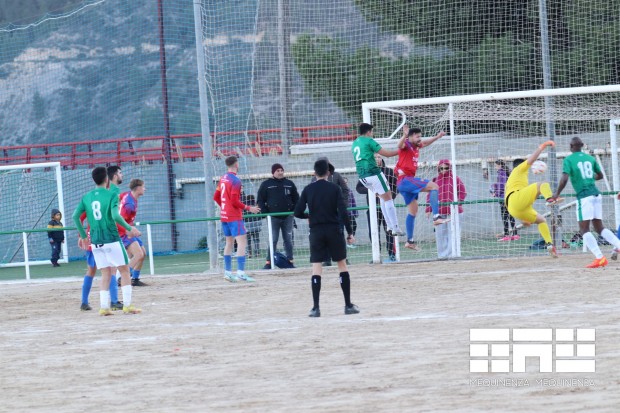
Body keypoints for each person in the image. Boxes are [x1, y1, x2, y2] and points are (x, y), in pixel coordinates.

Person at [72, 166, 142, 315]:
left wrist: (83, 236)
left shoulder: (87, 197)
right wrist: (130, 229)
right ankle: (127, 305)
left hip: (96, 241)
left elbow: (75, 217)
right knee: (123, 270)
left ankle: (104, 307)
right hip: (111, 238)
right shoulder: (111, 195)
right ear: (106, 179)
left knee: (105, 272)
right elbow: (116, 216)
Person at [294, 158, 359, 317]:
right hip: (333, 230)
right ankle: (348, 305)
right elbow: (343, 212)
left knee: (317, 267)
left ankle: (316, 308)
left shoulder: (308, 189)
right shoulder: (335, 188)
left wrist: (308, 215)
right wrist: (350, 232)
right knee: (342, 265)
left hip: (316, 231)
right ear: (328, 172)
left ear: (314, 173)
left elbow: (297, 212)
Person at [551, 137, 620, 268]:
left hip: (584, 197)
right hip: (596, 194)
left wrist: (556, 194)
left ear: (571, 146)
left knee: (584, 229)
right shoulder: (590, 158)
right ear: (582, 146)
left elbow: (564, 178)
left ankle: (600, 258)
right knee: (600, 228)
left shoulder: (569, 160)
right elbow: (600, 175)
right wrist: (588, 177)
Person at [504, 140, 561, 257]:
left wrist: (522, 218)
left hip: (513, 207)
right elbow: (532, 159)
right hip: (516, 199)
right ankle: (550, 199)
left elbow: (511, 203)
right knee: (542, 184)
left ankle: (550, 244)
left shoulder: (513, 181)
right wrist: (543, 146)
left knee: (541, 220)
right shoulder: (519, 169)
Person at [395, 125, 448, 251]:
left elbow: (426, 142)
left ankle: (410, 241)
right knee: (434, 186)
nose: (420, 139)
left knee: (413, 211)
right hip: (405, 180)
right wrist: (404, 135)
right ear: (411, 137)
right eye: (417, 136)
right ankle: (436, 217)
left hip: (404, 183)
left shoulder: (417, 146)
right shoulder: (406, 145)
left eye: (420, 136)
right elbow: (399, 145)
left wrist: (437, 137)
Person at [214, 156, 261, 282]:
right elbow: (235, 201)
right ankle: (240, 273)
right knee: (242, 242)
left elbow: (216, 197)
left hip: (224, 216)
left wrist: (224, 207)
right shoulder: (235, 181)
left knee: (229, 242)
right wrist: (248, 208)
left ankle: (228, 272)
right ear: (236, 164)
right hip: (234, 216)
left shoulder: (223, 179)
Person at [351, 123, 403, 236]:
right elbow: (387, 154)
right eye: (372, 132)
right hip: (374, 174)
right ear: (369, 132)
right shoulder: (369, 141)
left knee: (382, 198)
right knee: (388, 198)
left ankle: (389, 225)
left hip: (362, 177)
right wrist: (401, 151)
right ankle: (395, 227)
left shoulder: (355, 142)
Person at [356, 153, 398, 261]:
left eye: (379, 157)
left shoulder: (389, 171)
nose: (377, 159)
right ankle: (376, 254)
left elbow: (395, 188)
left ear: (382, 158)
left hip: (386, 206)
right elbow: (359, 187)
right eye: (374, 157)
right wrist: (372, 191)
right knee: (373, 231)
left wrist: (388, 196)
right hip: (373, 208)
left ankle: (391, 254)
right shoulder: (366, 172)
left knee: (389, 230)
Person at [257, 163, 299, 269]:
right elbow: (260, 200)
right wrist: (266, 213)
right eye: (278, 171)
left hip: (288, 217)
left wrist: (293, 211)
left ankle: (290, 261)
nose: (280, 172)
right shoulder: (266, 184)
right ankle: (269, 262)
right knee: (273, 239)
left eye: (281, 170)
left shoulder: (289, 183)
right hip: (273, 218)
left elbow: (297, 199)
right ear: (273, 172)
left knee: (288, 240)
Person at [79, 212, 123, 311]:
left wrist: (81, 235)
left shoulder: (89, 201)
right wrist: (127, 229)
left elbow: (78, 217)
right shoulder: (106, 200)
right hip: (105, 238)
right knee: (111, 269)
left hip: (92, 238)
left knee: (91, 270)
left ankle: (84, 302)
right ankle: (114, 301)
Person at [311, 156, 350, 266]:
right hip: (322, 215)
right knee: (324, 237)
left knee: (340, 234)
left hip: (336, 213)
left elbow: (345, 190)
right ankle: (326, 259)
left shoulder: (337, 175)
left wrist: (343, 204)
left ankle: (343, 258)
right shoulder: (314, 179)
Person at [425, 160, 467, 259]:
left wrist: (458, 203)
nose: (444, 170)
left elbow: (462, 192)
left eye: (446, 168)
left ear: (450, 168)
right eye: (441, 168)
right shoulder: (435, 181)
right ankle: (442, 256)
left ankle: (453, 254)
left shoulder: (455, 179)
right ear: (438, 168)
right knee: (440, 236)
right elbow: (430, 196)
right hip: (440, 214)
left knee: (454, 235)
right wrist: (428, 209)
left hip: (454, 212)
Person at [119, 178, 147, 285]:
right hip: (123, 232)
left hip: (128, 229)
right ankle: (123, 278)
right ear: (138, 188)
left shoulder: (128, 195)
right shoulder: (129, 205)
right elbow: (121, 220)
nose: (145, 189)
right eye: (143, 187)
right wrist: (129, 231)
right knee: (138, 254)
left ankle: (135, 279)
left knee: (143, 253)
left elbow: (118, 198)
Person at [492, 160, 518, 241]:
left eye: (495, 165)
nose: (495, 167)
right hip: (508, 197)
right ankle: (515, 234)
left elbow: (502, 186)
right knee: (510, 215)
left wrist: (495, 193)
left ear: (499, 165)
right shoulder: (506, 172)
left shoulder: (501, 173)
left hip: (503, 198)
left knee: (505, 216)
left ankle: (507, 235)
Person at [242, 194, 262, 258]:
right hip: (256, 225)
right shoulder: (256, 206)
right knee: (256, 239)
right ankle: (257, 253)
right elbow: (260, 215)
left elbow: (243, 217)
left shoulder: (245, 207)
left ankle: (249, 253)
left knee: (248, 240)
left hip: (247, 225)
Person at [344, 177, 358, 248]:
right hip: (341, 214)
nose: (345, 184)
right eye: (344, 182)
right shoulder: (338, 191)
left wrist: (355, 212)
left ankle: (349, 241)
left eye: (346, 182)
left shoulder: (349, 191)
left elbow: (353, 202)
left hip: (349, 213)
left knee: (354, 225)